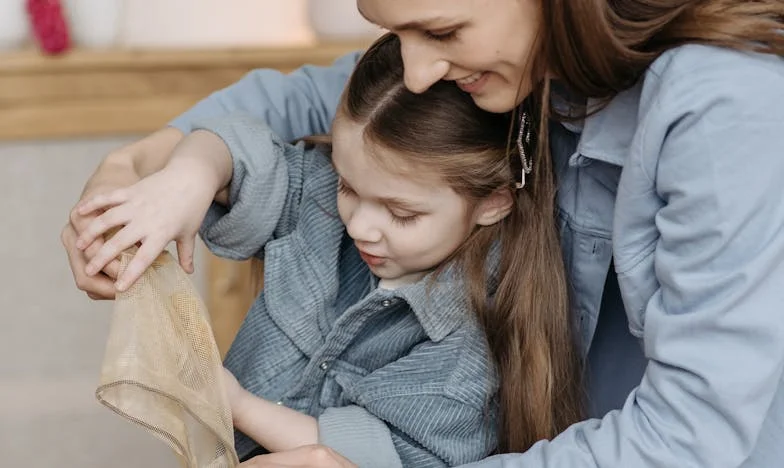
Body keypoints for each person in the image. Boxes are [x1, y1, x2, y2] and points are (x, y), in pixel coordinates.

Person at [62, 0, 784, 467]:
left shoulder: (722, 106)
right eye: (393, 32)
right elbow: (321, 96)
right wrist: (158, 164)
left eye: (439, 32)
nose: (415, 70)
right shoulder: (523, 59)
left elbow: (690, 436)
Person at [72, 34, 583, 467]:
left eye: (401, 214)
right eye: (346, 185)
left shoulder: (469, 345)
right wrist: (192, 175)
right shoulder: (316, 202)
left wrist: (234, 404)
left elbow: (372, 455)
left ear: (492, 202)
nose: (360, 224)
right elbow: (240, 149)